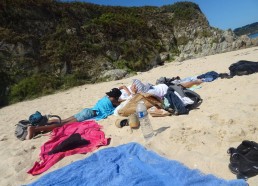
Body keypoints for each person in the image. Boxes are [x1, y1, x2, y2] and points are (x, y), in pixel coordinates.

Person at [26, 88, 122, 140]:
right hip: (88, 115)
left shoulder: (105, 97)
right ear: (116, 97)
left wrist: (119, 90)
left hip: (87, 110)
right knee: (62, 125)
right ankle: (35, 129)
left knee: (63, 120)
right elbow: (122, 104)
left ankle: (43, 124)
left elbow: (115, 94)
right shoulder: (114, 100)